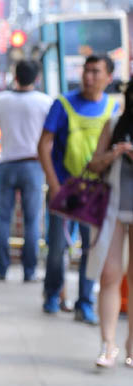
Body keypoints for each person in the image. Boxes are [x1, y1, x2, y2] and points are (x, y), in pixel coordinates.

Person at [38, 54, 118, 323]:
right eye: (86, 70)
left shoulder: (113, 109)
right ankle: (52, 294)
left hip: (97, 193)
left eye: (96, 72)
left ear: (109, 77)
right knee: (57, 247)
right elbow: (44, 145)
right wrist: (54, 184)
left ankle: (85, 302)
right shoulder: (62, 104)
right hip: (65, 188)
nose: (88, 77)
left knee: (91, 249)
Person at [0, 59, 53, 282]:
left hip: (7, 164)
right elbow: (52, 137)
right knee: (32, 221)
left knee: (3, 219)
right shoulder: (45, 102)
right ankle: (29, 271)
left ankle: (1, 270)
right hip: (33, 165)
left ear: (15, 75)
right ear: (36, 77)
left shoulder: (1, 100)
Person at [82, 81, 133, 368]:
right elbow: (93, 164)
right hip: (112, 208)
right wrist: (114, 154)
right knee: (109, 274)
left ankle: (131, 345)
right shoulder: (114, 124)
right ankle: (108, 344)